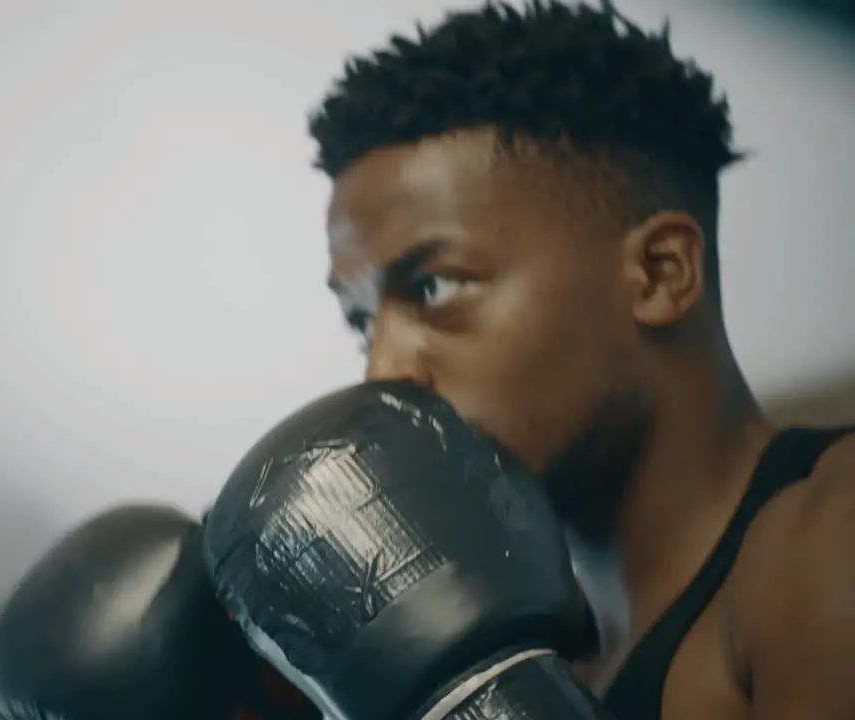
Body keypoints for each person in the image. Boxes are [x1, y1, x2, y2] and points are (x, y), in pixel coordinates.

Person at [307, 1, 855, 718]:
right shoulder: (517, 662)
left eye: (433, 287)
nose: (382, 373)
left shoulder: (828, 539)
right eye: (361, 322)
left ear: (659, 273)